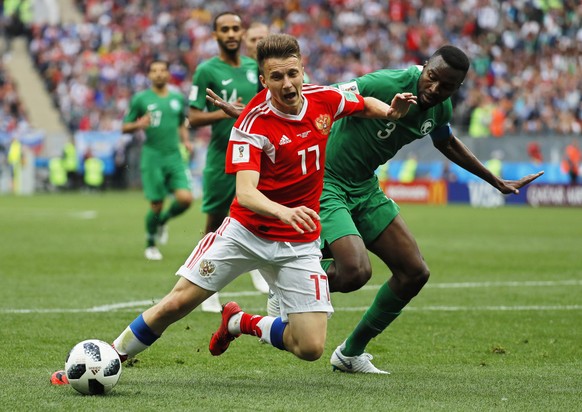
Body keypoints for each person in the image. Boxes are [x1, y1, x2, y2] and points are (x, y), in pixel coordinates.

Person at [50, 34, 416, 383]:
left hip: (298, 243)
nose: (287, 84)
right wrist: (284, 211)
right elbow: (246, 194)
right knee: (176, 304)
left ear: (303, 70)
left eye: (293, 73)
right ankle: (108, 357)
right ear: (263, 79)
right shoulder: (251, 124)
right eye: (276, 77)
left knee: (310, 348)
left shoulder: (324, 98)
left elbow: (362, 102)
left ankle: (239, 322)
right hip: (245, 233)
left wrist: (389, 112)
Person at [213, 44, 544, 374]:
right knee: (356, 270)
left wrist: (494, 179)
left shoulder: (439, 109)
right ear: (424, 67)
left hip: (365, 187)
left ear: (457, 88)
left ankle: (350, 353)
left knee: (415, 272)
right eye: (431, 78)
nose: (434, 89)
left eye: (445, 87)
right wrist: (259, 114)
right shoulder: (387, 83)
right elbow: (319, 97)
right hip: (326, 181)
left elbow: (445, 142)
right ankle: (291, 287)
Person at [187, 12, 268, 309]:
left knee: (258, 214)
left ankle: (259, 269)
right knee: (214, 223)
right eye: (225, 30)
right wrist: (226, 111)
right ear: (215, 36)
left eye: (236, 28)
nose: (232, 34)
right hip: (222, 156)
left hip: (253, 153)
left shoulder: (253, 67)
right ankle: (205, 285)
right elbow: (193, 117)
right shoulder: (206, 70)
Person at [122, 60, 193, 261]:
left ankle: (163, 221)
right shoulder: (141, 99)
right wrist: (139, 124)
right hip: (153, 156)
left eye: (162, 70)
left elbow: (181, 122)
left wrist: (186, 141)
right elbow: (124, 127)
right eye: (154, 71)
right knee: (157, 203)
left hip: (174, 155)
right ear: (149, 75)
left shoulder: (177, 98)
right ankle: (150, 244)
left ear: (168, 74)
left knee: (186, 199)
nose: (159, 74)